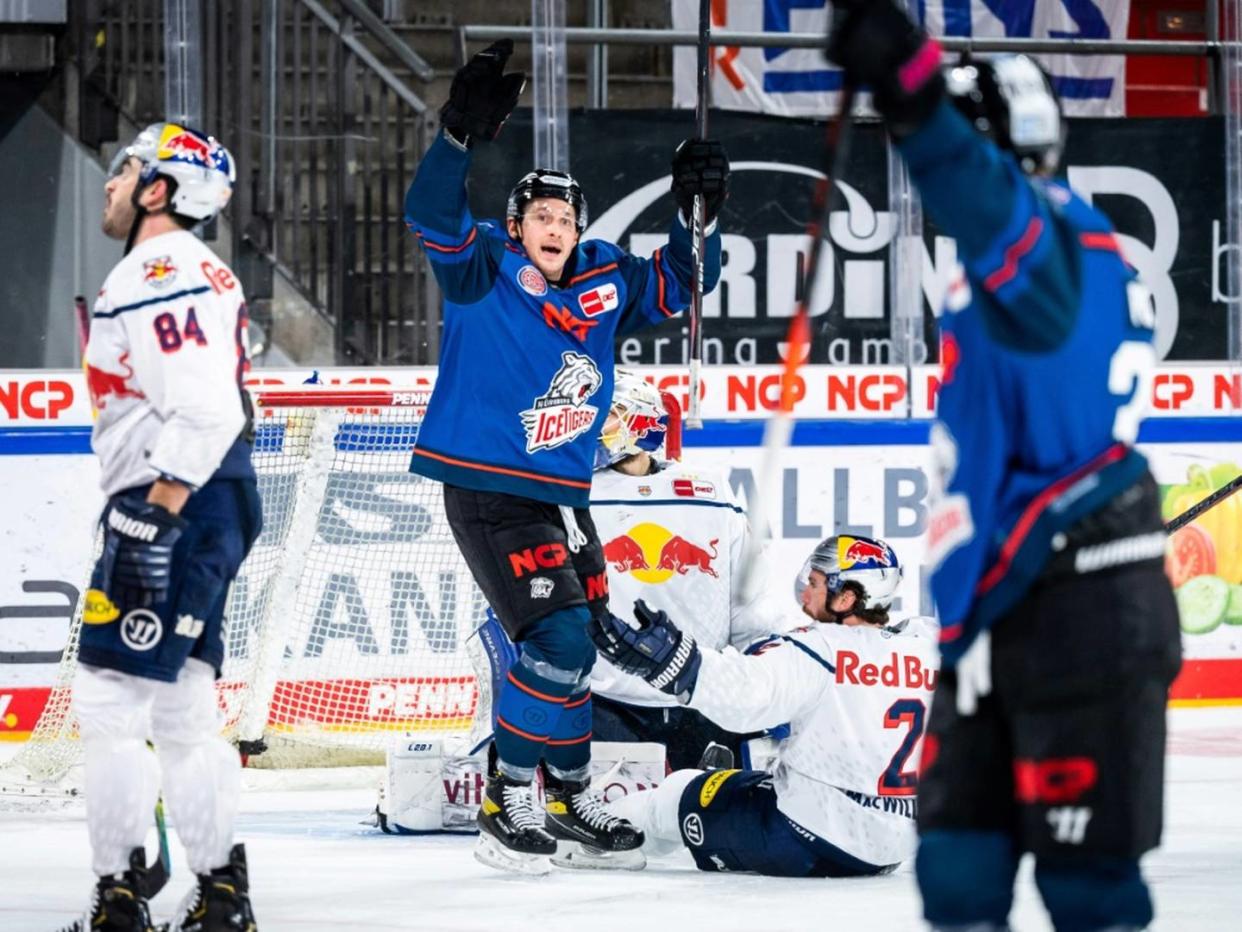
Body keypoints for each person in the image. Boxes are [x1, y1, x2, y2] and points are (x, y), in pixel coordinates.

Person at [824, 4, 1182, 930]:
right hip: (998, 605)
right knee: (957, 870)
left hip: (1083, 604)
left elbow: (972, 183)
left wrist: (910, 90)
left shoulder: (1051, 252)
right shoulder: (1026, 264)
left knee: (1089, 886)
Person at [402, 39, 728, 874]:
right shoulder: (484, 267)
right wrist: (456, 140)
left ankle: (570, 795)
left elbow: (688, 282)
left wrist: (702, 216)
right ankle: (508, 795)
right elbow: (429, 213)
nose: (555, 228)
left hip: (559, 495)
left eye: (567, 218)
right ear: (516, 226)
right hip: (486, 489)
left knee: (580, 638)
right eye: (540, 217)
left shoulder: (608, 282)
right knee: (556, 643)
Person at [61, 123, 261, 932]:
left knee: (107, 699)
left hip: (175, 502)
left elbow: (208, 405)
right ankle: (220, 897)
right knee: (182, 706)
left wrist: (153, 514)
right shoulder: (192, 268)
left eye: (126, 171)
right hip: (211, 502)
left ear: (158, 190)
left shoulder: (160, 267)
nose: (109, 183)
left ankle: (117, 897)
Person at [590, 535, 939, 877]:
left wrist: (671, 661)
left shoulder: (820, 650)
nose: (805, 592)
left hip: (807, 838)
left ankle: (589, 838)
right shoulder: (927, 644)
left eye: (815, 583)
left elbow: (744, 695)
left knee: (678, 792)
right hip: (897, 844)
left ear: (846, 597)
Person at [588, 370, 792, 770]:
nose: (592, 425)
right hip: (607, 706)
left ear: (642, 417)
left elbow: (747, 604)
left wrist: (756, 678)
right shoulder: (572, 493)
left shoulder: (711, 491)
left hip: (702, 701)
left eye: (607, 414)